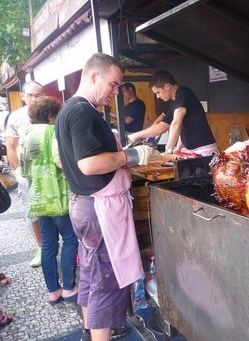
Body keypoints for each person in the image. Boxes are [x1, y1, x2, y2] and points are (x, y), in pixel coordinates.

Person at [55, 53, 154, 341]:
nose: (115, 93)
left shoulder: (70, 109)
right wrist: (129, 156)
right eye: (112, 85)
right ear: (94, 76)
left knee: (90, 273)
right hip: (97, 209)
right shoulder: (82, 111)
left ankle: (90, 332)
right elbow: (88, 164)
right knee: (105, 283)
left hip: (84, 205)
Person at [20, 96, 78, 305]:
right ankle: (69, 287)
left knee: (48, 245)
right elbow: (62, 162)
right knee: (70, 240)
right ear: (52, 115)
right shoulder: (54, 131)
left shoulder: (26, 136)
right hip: (59, 199)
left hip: (39, 201)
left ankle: (53, 291)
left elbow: (24, 170)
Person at [127, 70, 218, 157]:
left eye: (158, 92)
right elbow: (163, 125)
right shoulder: (173, 103)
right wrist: (177, 148)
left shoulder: (183, 93)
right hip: (192, 151)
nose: (157, 96)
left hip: (204, 151)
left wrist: (169, 150)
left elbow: (175, 124)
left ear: (166, 86)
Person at [4, 81, 44, 268]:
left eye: (38, 94)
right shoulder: (15, 117)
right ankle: (42, 246)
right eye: (30, 95)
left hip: (51, 171)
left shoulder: (50, 112)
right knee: (33, 211)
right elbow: (11, 147)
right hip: (28, 173)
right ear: (22, 96)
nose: (34, 99)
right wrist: (19, 172)